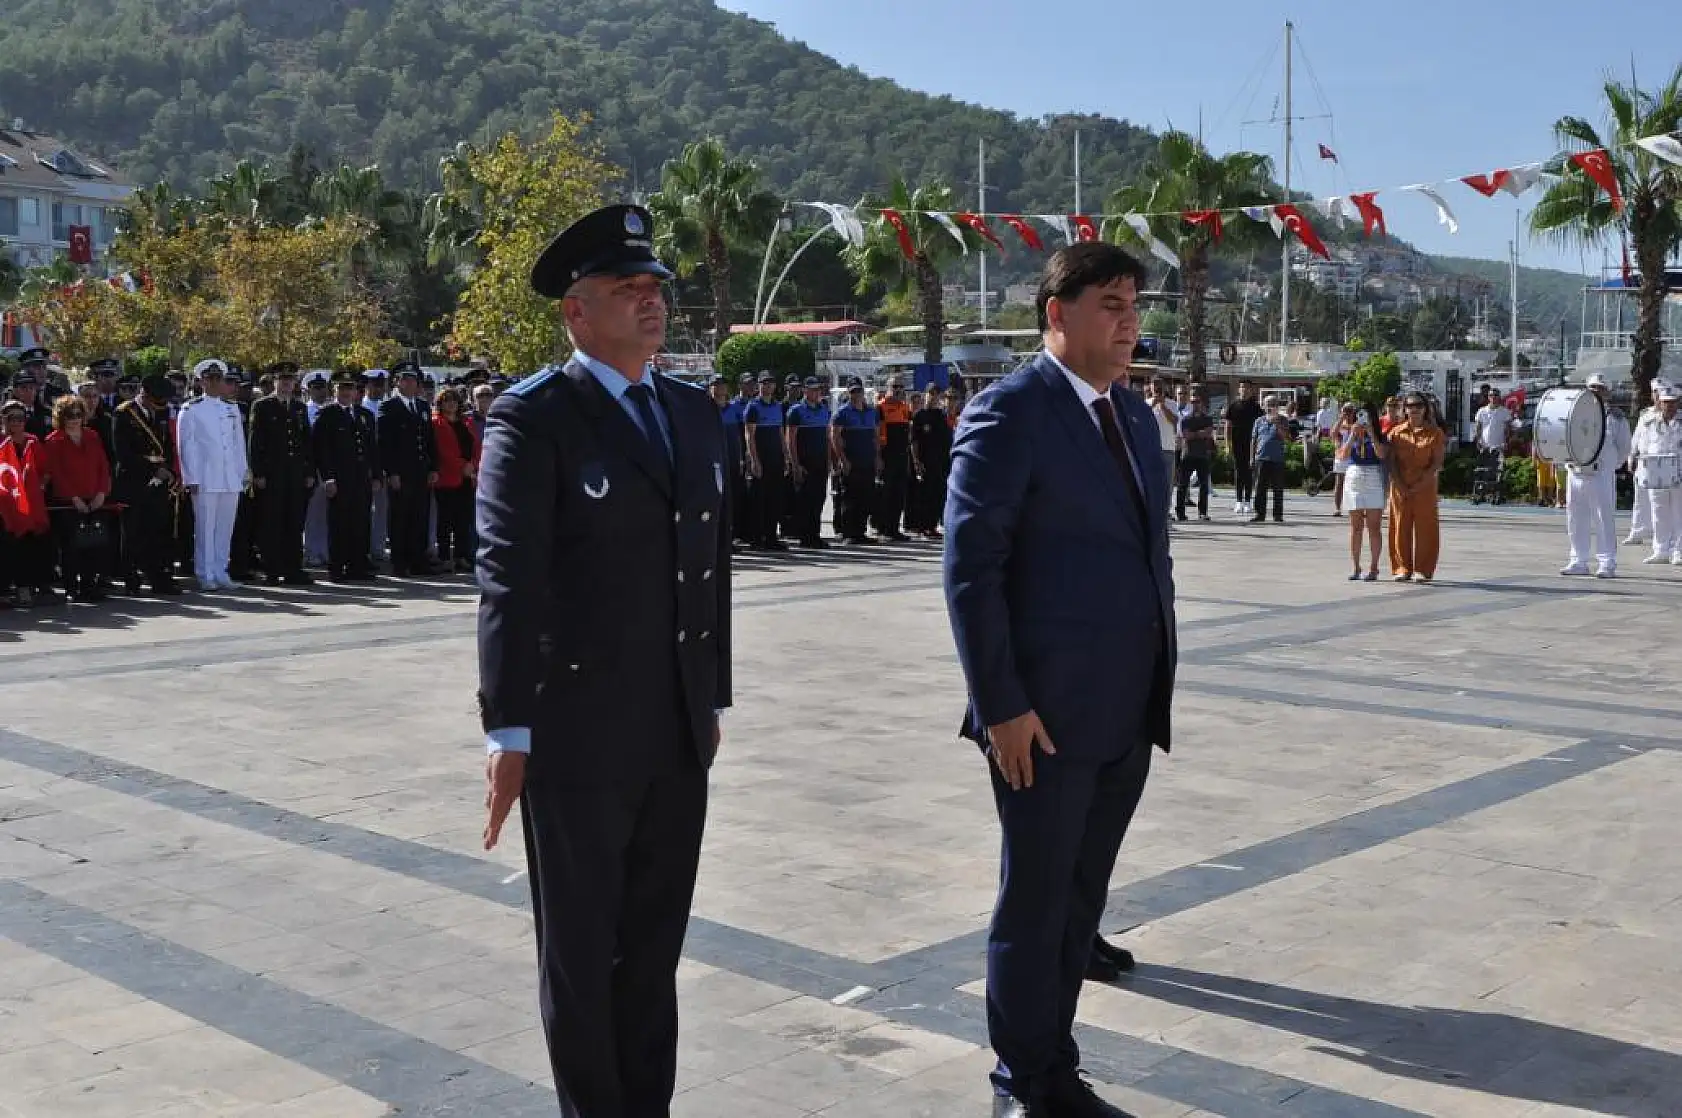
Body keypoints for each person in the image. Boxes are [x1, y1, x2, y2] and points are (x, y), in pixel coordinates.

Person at [477, 203, 731, 1118]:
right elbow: (510, 575)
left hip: (672, 728)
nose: (650, 302)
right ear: (575, 312)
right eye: (627, 290)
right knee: (582, 955)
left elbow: (709, 570)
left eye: (655, 286)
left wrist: (712, 698)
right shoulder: (537, 417)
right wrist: (508, 727)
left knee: (654, 949)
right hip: (578, 735)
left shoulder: (694, 414)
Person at [945, 241, 1174, 1118]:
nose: (1129, 322)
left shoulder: (1129, 418)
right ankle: (1025, 1084)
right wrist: (1000, 703)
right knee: (1036, 902)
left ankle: (1055, 1061)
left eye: (1134, 305)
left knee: (1079, 906)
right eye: (1110, 303)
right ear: (1057, 313)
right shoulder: (1012, 414)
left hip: (1122, 711)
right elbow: (973, 570)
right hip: (1040, 718)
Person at [175, 359, 250, 591]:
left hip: (230, 476)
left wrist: (243, 472)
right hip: (206, 476)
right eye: (210, 379)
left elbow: (238, 443)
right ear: (201, 381)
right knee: (205, 528)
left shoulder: (231, 407)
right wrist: (191, 478)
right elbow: (186, 446)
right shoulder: (191, 409)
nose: (215, 383)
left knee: (225, 526)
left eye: (219, 379)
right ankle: (205, 572)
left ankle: (220, 569)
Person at [112, 374, 183, 595]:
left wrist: (168, 470)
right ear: (143, 394)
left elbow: (168, 445)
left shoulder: (161, 412)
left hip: (159, 483)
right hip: (133, 481)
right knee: (133, 534)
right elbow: (123, 453)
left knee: (158, 532)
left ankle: (159, 578)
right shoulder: (123, 414)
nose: (158, 406)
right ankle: (131, 580)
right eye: (155, 401)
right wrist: (153, 470)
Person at [248, 361, 316, 586]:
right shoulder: (262, 406)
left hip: (295, 474)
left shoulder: (299, 408)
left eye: (290, 380)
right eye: (282, 380)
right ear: (274, 382)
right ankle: (272, 569)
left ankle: (293, 568)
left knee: (294, 522)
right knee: (272, 522)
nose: (286, 384)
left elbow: (306, 442)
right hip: (272, 474)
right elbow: (255, 442)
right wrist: (257, 472)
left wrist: (308, 471)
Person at [311, 372, 382, 582]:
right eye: (342, 388)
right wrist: (328, 478)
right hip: (339, 479)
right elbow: (321, 449)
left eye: (350, 388)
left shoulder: (364, 414)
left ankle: (357, 565)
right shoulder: (327, 414)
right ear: (335, 390)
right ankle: (336, 567)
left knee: (360, 522)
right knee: (339, 523)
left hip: (361, 478)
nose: (346, 393)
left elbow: (372, 448)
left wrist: (377, 475)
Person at [1560, 374, 1632, 578]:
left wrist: (1609, 465)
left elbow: (1624, 447)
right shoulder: (1575, 412)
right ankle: (1578, 560)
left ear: (1607, 392)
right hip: (1577, 471)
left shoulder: (1615, 417)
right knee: (1575, 517)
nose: (1595, 391)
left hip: (1600, 473)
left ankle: (1607, 562)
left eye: (1600, 388)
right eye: (1592, 387)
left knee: (1603, 518)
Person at [42, 393, 113, 601]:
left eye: (78, 414)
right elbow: (57, 474)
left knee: (94, 545)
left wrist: (101, 493)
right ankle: (72, 587)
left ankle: (90, 587)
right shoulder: (53, 441)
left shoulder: (92, 435)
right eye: (69, 415)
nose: (74, 419)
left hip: (95, 497)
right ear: (61, 417)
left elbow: (103, 465)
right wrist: (74, 499)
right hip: (68, 502)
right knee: (71, 548)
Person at [380, 361, 439, 577]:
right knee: (400, 517)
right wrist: (391, 471)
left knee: (420, 516)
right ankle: (400, 561)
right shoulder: (389, 407)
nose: (409, 383)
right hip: (401, 473)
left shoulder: (422, 406)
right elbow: (384, 443)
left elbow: (429, 440)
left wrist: (433, 467)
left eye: (413, 380)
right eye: (405, 379)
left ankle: (418, 559)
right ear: (398, 382)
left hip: (421, 471)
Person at [1386, 392, 1447, 583]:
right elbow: (1391, 462)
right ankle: (1402, 568)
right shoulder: (1396, 433)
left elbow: (1437, 463)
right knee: (1399, 526)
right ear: (1404, 409)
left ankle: (1423, 569)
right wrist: (1400, 484)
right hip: (1400, 486)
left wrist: (1421, 484)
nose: (1414, 410)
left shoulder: (1435, 433)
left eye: (1419, 406)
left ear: (1425, 409)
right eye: (1410, 406)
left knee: (1426, 528)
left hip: (1425, 487)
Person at [0, 400, 54, 605]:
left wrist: (40, 484)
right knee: (7, 548)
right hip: (5, 505)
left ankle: (28, 586)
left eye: (20, 418)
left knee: (32, 545)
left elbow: (45, 470)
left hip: (31, 503)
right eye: (11, 418)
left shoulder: (32, 441)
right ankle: (4, 590)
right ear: (3, 419)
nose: (16, 422)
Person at [1631, 381, 1682, 566]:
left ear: (1678, 402)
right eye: (1665, 401)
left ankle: (1679, 551)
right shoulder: (1648, 420)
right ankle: (1660, 550)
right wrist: (1635, 458)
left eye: (1673, 402)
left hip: (1679, 472)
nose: (1669, 405)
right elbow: (1640, 443)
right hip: (1656, 472)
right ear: (1660, 402)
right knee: (1658, 512)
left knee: (1679, 513)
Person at [431, 385, 481, 573]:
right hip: (447, 478)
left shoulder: (467, 422)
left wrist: (473, 465)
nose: (451, 404)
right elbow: (443, 452)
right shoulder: (436, 423)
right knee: (445, 520)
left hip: (467, 478)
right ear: (440, 404)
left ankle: (462, 556)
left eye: (454, 400)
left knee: (463, 520)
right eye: (447, 400)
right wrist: (463, 466)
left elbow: (477, 447)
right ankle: (444, 557)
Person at [1337, 406, 1388, 581]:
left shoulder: (1380, 434)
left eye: (1365, 416)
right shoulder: (1351, 432)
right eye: (1359, 415)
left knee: (1374, 527)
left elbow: (1381, 454)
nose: (1362, 419)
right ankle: (1356, 567)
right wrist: (1352, 435)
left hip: (1373, 476)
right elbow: (1342, 456)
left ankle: (1374, 567)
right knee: (1356, 527)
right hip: (1354, 476)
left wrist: (1371, 433)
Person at [783, 377, 831, 548]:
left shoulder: (824, 410)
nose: (816, 392)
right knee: (805, 500)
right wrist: (795, 465)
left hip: (820, 462)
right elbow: (790, 440)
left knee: (819, 498)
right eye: (812, 389)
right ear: (805, 391)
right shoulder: (796, 411)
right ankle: (805, 536)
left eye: (818, 389)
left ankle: (814, 534)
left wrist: (829, 461)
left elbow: (827, 437)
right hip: (805, 462)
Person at [742, 371, 787, 551]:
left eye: (770, 383)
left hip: (776, 458)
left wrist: (785, 457)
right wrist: (754, 460)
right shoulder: (753, 407)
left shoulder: (777, 406)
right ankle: (756, 538)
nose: (767, 387)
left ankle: (770, 537)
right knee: (758, 500)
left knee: (774, 499)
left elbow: (781, 434)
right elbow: (749, 435)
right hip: (761, 458)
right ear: (759, 386)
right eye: (764, 383)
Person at [830, 378, 879, 544]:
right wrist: (842, 459)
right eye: (852, 392)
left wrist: (878, 457)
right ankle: (848, 533)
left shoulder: (872, 412)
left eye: (858, 391)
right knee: (850, 497)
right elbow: (834, 437)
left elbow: (875, 437)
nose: (856, 395)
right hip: (851, 461)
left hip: (867, 460)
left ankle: (860, 532)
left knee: (866, 497)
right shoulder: (842, 413)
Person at [910, 384, 953, 540]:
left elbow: (947, 439)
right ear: (925, 394)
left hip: (940, 461)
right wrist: (916, 461)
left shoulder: (940, 415)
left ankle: (932, 525)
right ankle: (922, 526)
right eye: (930, 393)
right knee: (925, 494)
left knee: (938, 493)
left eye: (936, 393)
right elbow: (914, 441)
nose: (933, 396)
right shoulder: (919, 416)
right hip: (925, 460)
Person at [875, 378, 914, 540]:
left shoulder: (904, 407)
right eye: (895, 386)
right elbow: (877, 435)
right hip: (887, 454)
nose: (898, 390)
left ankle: (894, 528)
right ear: (888, 388)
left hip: (901, 455)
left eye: (901, 387)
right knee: (885, 492)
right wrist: (878, 457)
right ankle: (882, 527)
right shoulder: (880, 407)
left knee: (899, 493)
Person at [361, 368, 392, 563]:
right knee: (364, 509)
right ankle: (363, 547)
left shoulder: (388, 406)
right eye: (374, 384)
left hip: (384, 464)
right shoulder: (363, 407)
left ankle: (377, 547)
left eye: (381, 385)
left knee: (381, 509)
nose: (378, 389)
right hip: (365, 466)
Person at [1175, 388, 1215, 522]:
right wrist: (1200, 434)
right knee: (1182, 484)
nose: (1195, 404)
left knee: (1204, 485)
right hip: (1188, 454)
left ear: (1202, 403)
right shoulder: (1186, 419)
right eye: (1192, 402)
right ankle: (1180, 512)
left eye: (1197, 401)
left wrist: (1195, 434)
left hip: (1202, 455)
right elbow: (1186, 435)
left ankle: (1202, 512)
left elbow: (1209, 433)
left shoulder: (1208, 418)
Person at [1223, 380, 1263, 516]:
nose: (1244, 390)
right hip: (1237, 443)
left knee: (1249, 472)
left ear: (1251, 390)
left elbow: (1261, 428)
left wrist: (1259, 445)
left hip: (1251, 444)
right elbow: (1227, 426)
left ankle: (1247, 501)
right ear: (1238, 390)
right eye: (1241, 387)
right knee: (1239, 472)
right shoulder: (1233, 406)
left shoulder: (1256, 407)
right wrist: (1227, 445)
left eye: (1246, 387)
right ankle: (1238, 500)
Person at [1250, 400, 1290, 524]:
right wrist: (1252, 457)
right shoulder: (1259, 421)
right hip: (1261, 458)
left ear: (1277, 407)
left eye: (1273, 405)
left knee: (1277, 488)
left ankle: (1278, 515)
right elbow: (1254, 439)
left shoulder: (1283, 420)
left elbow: (1285, 437)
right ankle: (1259, 514)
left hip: (1277, 459)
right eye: (1268, 405)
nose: (1271, 407)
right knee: (1260, 488)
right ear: (1264, 406)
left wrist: (1277, 424)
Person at [1329, 404, 1358, 516]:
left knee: (1354, 483)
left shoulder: (1356, 424)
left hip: (1353, 456)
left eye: (1350, 411)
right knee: (1339, 482)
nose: (1348, 413)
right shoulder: (1340, 424)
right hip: (1341, 457)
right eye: (1345, 410)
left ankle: (1354, 507)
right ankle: (1337, 508)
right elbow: (1333, 434)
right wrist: (1341, 418)